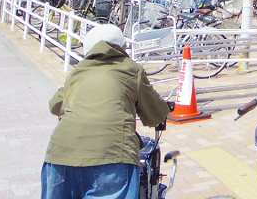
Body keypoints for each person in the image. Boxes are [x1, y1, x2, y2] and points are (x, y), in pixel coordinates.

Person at [42, 23, 171, 199]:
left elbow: (55, 105)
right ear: (122, 47)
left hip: (60, 155)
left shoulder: (78, 71)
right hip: (113, 157)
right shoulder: (132, 69)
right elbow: (155, 115)